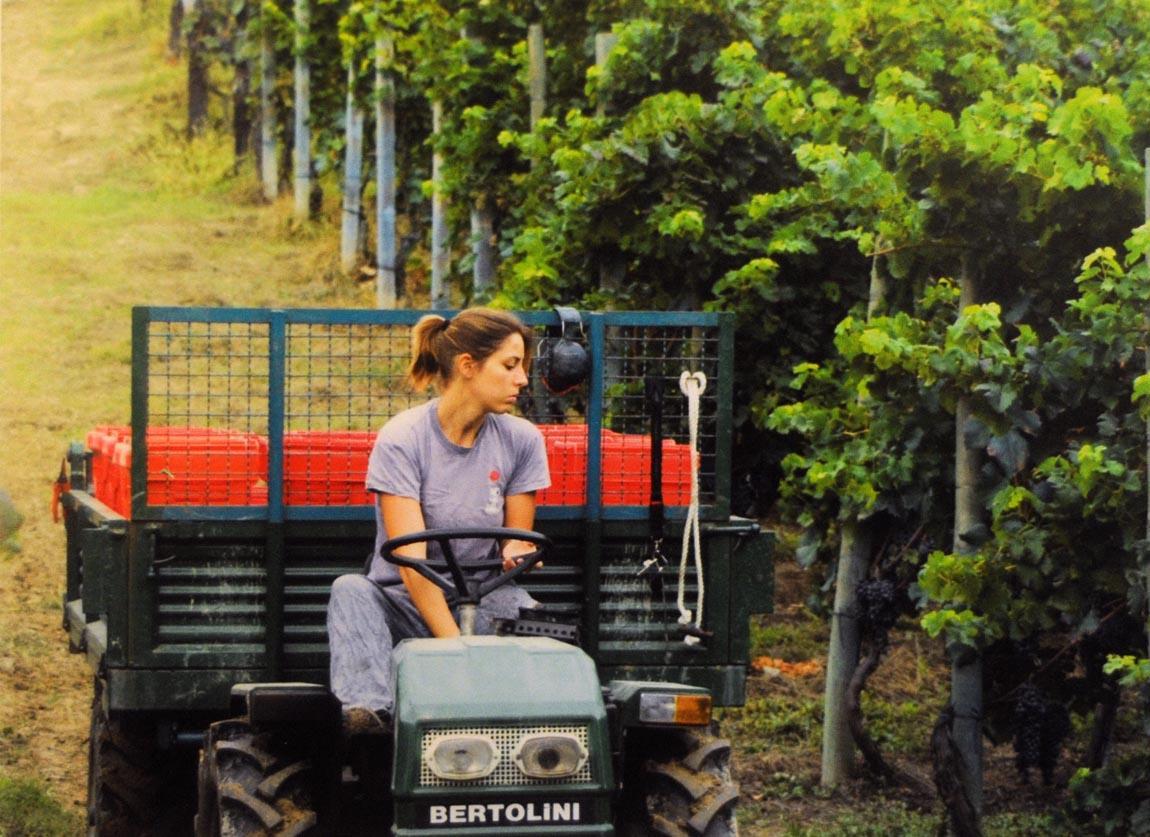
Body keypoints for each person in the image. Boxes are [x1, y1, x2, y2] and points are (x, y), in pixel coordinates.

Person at [326, 308, 551, 732]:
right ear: (468, 366)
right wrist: (456, 652)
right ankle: (372, 722)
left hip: (481, 595)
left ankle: (539, 732)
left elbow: (516, 540)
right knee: (351, 591)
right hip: (404, 603)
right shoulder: (403, 439)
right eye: (510, 365)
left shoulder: (522, 440)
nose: (522, 379)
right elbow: (411, 563)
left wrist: (517, 551)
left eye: (523, 366)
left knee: (532, 616)